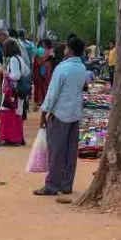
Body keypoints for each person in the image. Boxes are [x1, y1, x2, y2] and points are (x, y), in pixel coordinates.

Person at [34, 37, 88, 203]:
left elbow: (52, 94)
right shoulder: (82, 68)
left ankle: (51, 185)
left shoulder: (62, 68)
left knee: (56, 151)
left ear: (69, 50)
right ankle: (66, 184)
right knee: (70, 152)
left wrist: (44, 114)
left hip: (60, 114)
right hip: (74, 114)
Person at [0, 39, 31, 146]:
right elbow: (27, 71)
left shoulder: (13, 59)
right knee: (17, 115)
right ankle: (17, 138)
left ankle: (10, 138)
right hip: (18, 92)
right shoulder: (20, 58)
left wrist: (5, 72)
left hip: (12, 92)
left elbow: (15, 76)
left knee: (8, 114)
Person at [33, 39, 54, 108]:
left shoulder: (50, 50)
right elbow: (36, 57)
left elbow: (51, 58)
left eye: (44, 43)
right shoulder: (41, 49)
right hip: (40, 68)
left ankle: (45, 100)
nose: (43, 44)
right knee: (39, 84)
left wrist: (43, 61)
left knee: (45, 84)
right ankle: (40, 100)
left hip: (47, 68)